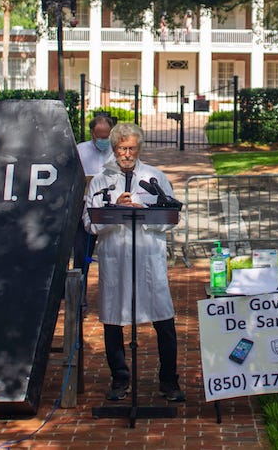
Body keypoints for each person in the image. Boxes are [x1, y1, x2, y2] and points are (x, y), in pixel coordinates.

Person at [85, 122, 185, 402]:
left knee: (164, 320)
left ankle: (169, 380)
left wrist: (145, 211)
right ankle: (120, 379)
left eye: (131, 148)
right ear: (114, 149)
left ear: (139, 149)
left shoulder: (154, 177)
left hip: (147, 259)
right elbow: (88, 223)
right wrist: (114, 207)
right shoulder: (100, 180)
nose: (126, 153)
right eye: (121, 148)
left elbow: (172, 218)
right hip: (115, 257)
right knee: (113, 320)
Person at [73, 114, 116, 280]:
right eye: (100, 137)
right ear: (92, 134)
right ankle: (79, 297)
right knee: (82, 254)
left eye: (107, 136)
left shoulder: (117, 151)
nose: (104, 140)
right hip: (86, 209)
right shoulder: (81, 150)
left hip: (111, 209)